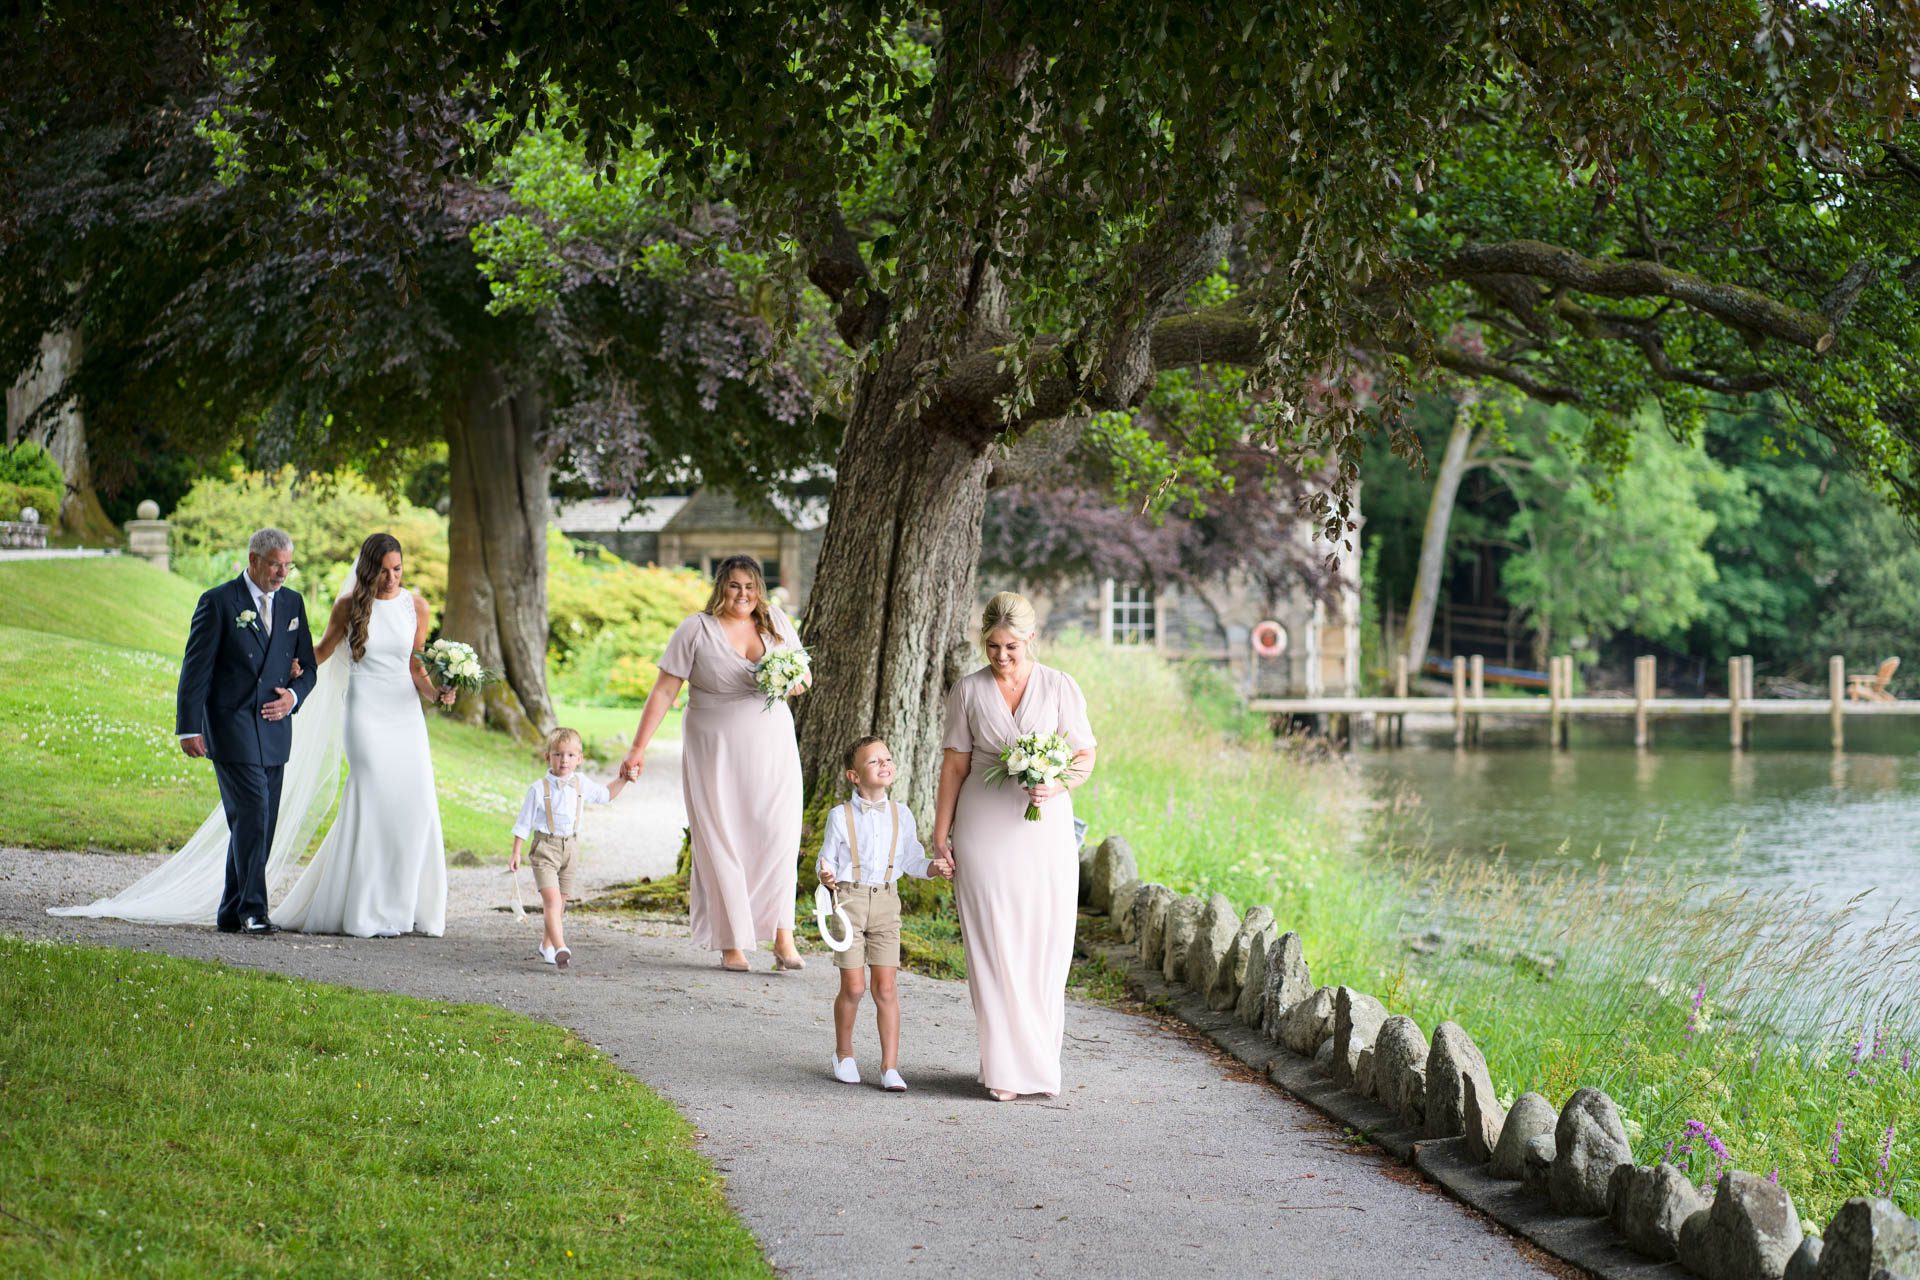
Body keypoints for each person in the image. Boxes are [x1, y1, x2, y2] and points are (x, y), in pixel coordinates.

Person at [930, 591, 1097, 1101]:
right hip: (983, 827)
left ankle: (1039, 1062)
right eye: (993, 645)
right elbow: (955, 765)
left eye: (1011, 647)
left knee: (1043, 943)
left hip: (1044, 830)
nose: (1001, 656)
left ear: (1031, 640)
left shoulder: (1060, 687)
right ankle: (1003, 1067)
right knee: (994, 943)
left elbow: (1085, 754)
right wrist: (942, 834)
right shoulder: (968, 690)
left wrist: (1058, 783)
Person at [622, 555, 809, 972]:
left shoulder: (776, 621)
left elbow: (803, 679)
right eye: (734, 586)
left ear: (760, 589)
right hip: (714, 746)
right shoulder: (695, 629)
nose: (743, 595)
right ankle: (731, 941)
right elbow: (664, 692)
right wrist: (638, 748)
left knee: (778, 833)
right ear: (720, 586)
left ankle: (783, 935)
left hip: (773, 744)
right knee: (722, 835)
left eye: (751, 586)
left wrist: (786, 680)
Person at [273, 533, 455, 938]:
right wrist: (289, 669)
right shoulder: (348, 606)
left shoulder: (417, 607)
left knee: (417, 805)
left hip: (405, 715)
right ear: (368, 569)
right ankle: (363, 908)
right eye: (383, 570)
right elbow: (321, 651)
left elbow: (416, 668)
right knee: (372, 799)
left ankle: (405, 906)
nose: (391, 578)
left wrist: (438, 694)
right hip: (365, 713)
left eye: (398, 570)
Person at [172, 527, 319, 934]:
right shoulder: (218, 602)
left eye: (288, 565)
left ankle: (231, 909)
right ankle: (254, 909)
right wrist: (188, 728)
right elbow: (195, 669)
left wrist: (293, 697)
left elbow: (307, 666)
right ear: (253, 560)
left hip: (274, 731)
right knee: (253, 813)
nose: (282, 573)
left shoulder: (292, 604)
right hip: (231, 726)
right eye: (275, 564)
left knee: (260, 822)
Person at [816, 736, 951, 1091]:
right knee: (854, 986)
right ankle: (844, 1054)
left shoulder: (901, 814)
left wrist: (934, 868)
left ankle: (889, 1066)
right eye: (874, 761)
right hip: (850, 902)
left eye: (887, 758)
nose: (884, 764)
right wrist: (826, 873)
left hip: (888, 904)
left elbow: (910, 860)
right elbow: (827, 858)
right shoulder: (839, 816)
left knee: (886, 988)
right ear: (854, 776)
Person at [509, 727, 629, 968]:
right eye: (558, 754)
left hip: (571, 848)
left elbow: (605, 795)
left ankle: (547, 945)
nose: (564, 760)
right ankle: (561, 946)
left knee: (560, 903)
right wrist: (516, 852)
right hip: (545, 848)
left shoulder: (581, 783)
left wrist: (624, 778)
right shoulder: (537, 789)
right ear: (548, 757)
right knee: (552, 901)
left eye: (570, 755)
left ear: (579, 758)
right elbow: (523, 823)